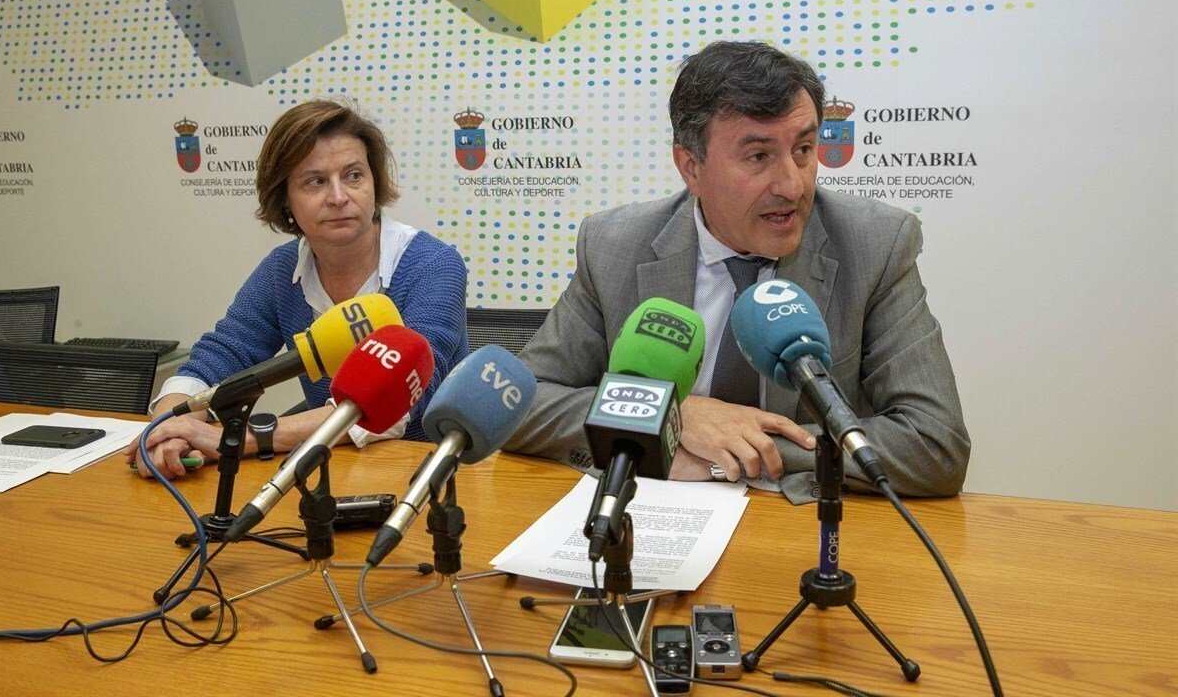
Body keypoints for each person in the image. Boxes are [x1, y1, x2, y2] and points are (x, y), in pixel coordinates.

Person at [507, 41, 969, 503]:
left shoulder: (876, 244)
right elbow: (520, 400)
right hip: (651, 515)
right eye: (758, 157)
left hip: (798, 523)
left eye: (804, 149)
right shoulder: (613, 245)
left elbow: (934, 443)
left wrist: (743, 448)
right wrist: (671, 416)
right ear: (692, 167)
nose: (793, 185)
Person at [125, 99, 468, 479]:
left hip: (431, 471)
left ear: (375, 183)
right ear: (285, 198)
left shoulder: (434, 265)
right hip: (324, 469)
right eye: (316, 181)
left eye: (354, 176)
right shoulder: (282, 269)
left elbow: (399, 404)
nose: (339, 197)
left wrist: (236, 439)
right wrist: (168, 428)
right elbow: (221, 354)